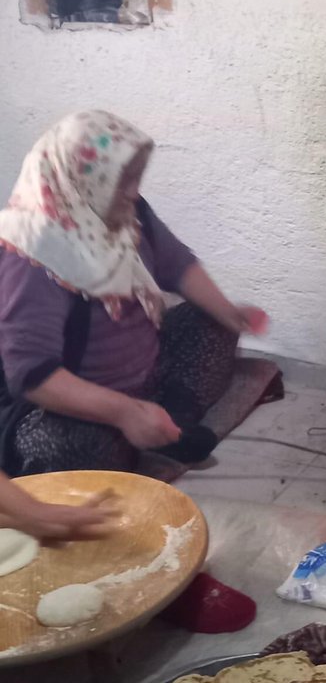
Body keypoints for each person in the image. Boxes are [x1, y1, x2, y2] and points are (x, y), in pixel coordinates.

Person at [0, 110, 268, 476]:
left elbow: (177, 265)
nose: (132, 191)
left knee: (211, 323)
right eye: (120, 179)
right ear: (77, 177)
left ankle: (169, 424)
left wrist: (231, 314)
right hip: (70, 405)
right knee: (72, 447)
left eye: (135, 177)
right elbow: (32, 376)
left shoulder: (128, 212)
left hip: (145, 373)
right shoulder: (33, 251)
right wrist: (123, 412)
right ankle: (135, 435)